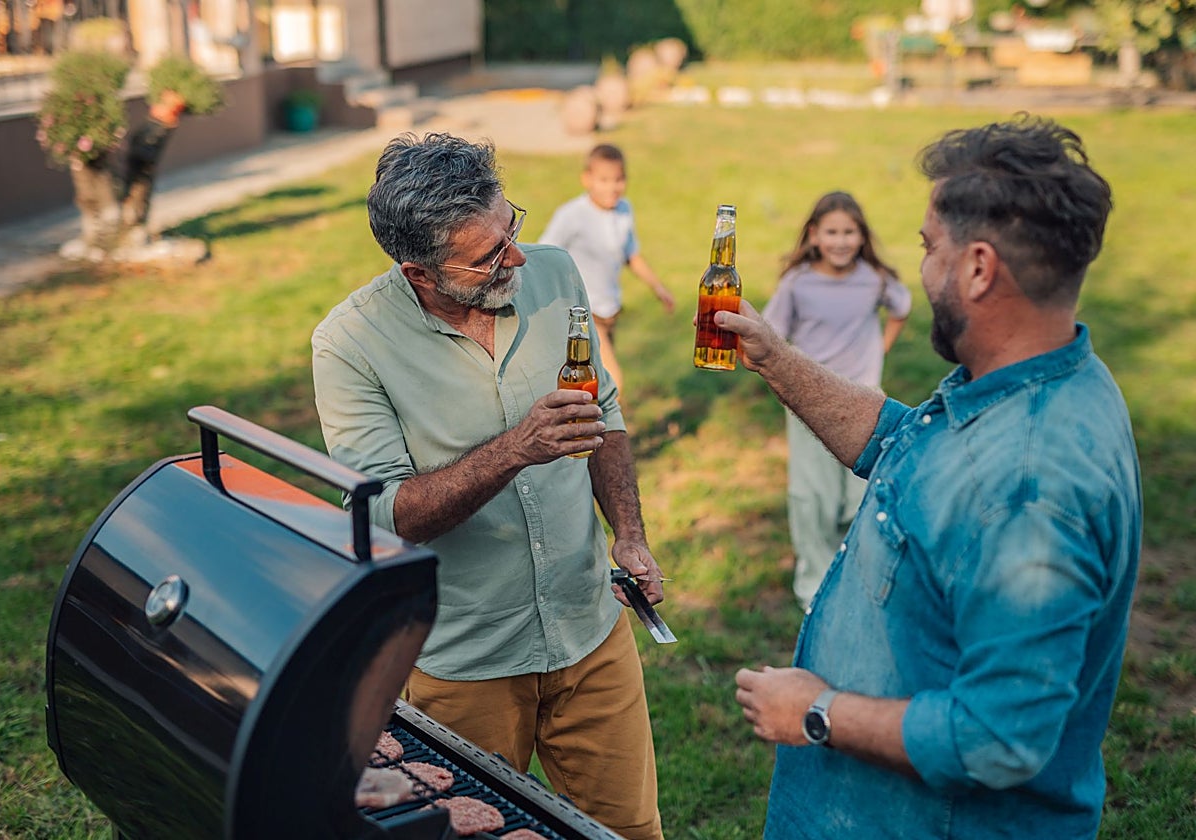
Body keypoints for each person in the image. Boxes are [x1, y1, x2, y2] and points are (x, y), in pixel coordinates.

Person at [724, 115, 1141, 838]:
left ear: (978, 268)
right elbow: (904, 444)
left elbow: (998, 736)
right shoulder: (1033, 377)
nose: (921, 267)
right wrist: (772, 354)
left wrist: (817, 711)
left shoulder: (1027, 486)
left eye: (928, 247)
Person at [311, 132, 665, 840]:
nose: (518, 258)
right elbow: (388, 515)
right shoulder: (349, 344)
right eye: (489, 256)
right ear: (420, 273)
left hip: (590, 629)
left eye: (512, 229)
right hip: (462, 661)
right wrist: (516, 450)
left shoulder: (557, 274)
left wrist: (629, 534)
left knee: (628, 833)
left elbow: (605, 411)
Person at [762, 191, 910, 605]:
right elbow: (770, 335)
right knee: (813, 497)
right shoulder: (797, 283)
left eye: (849, 232)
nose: (841, 241)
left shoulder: (874, 279)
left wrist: (879, 349)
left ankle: (859, 575)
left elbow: (901, 307)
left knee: (863, 495)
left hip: (866, 401)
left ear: (862, 236)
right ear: (813, 236)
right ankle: (814, 588)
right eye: (832, 232)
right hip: (810, 402)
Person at [538, 143, 675, 397]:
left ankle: (593, 433)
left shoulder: (624, 210)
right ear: (586, 179)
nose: (612, 188)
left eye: (619, 179)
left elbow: (631, 255)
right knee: (613, 384)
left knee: (595, 390)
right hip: (583, 315)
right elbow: (543, 255)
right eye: (603, 180)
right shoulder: (572, 215)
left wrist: (658, 287)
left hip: (611, 311)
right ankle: (617, 434)